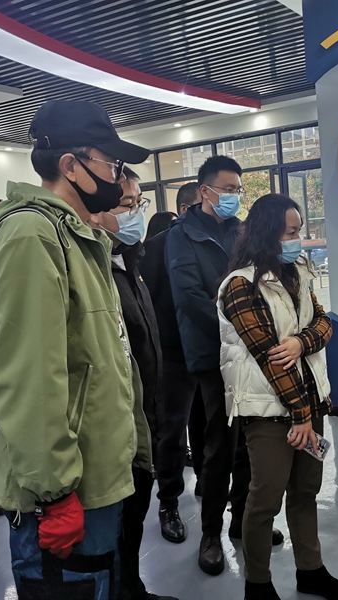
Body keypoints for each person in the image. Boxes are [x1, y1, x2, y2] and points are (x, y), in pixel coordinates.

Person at [0, 100, 153, 600]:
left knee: (98, 582)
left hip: (95, 475)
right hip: (63, 490)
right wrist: (54, 493)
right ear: (71, 165)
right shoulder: (31, 234)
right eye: (111, 164)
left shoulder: (77, 236)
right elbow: (27, 378)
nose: (119, 178)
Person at [217, 194, 338, 600]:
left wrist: (300, 341)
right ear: (268, 234)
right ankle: (258, 584)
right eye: (291, 232)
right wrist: (299, 415)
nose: (298, 239)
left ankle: (310, 570)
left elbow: (324, 323)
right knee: (264, 501)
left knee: (305, 492)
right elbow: (269, 358)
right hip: (269, 412)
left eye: (298, 231)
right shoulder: (240, 286)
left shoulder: (297, 274)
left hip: (309, 404)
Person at [165, 156, 283, 575]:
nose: (234, 196)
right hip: (211, 352)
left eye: (238, 189)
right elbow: (189, 297)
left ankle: (241, 520)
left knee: (251, 440)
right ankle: (211, 534)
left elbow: (257, 281)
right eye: (228, 189)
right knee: (220, 445)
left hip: (249, 351)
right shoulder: (181, 236)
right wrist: (238, 327)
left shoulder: (241, 231)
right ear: (205, 191)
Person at [89, 167, 176, 600]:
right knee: (116, 526)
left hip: (145, 418)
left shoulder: (130, 262)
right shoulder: (92, 272)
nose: (136, 213)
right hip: (115, 426)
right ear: (96, 211)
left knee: (135, 517)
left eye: (139, 203)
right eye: (127, 204)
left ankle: (132, 589)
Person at [141, 182, 203, 544]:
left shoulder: (211, 243)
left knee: (209, 426)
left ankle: (208, 484)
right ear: (184, 209)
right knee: (173, 433)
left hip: (208, 351)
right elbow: (148, 302)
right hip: (172, 354)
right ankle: (168, 503)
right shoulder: (155, 247)